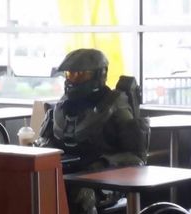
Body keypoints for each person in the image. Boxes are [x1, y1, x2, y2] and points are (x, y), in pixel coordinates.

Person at [36, 48, 149, 214]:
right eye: (70, 74)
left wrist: (103, 163)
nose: (73, 79)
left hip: (106, 178)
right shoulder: (62, 106)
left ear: (98, 75)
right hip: (67, 173)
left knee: (82, 195)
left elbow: (137, 157)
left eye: (80, 75)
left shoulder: (116, 105)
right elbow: (46, 141)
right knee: (32, 186)